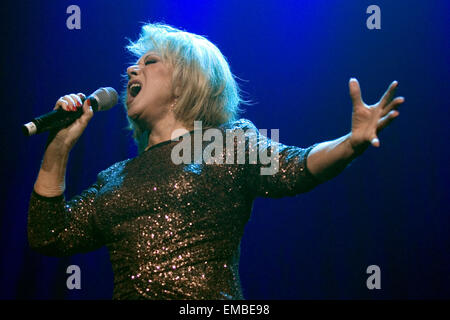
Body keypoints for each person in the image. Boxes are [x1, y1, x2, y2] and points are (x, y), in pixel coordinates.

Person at [27, 23, 405, 299]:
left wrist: (350, 143)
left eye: (150, 61)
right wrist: (59, 145)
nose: (131, 70)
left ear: (186, 81)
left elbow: (296, 167)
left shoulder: (224, 143)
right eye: (133, 64)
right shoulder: (115, 178)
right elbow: (49, 235)